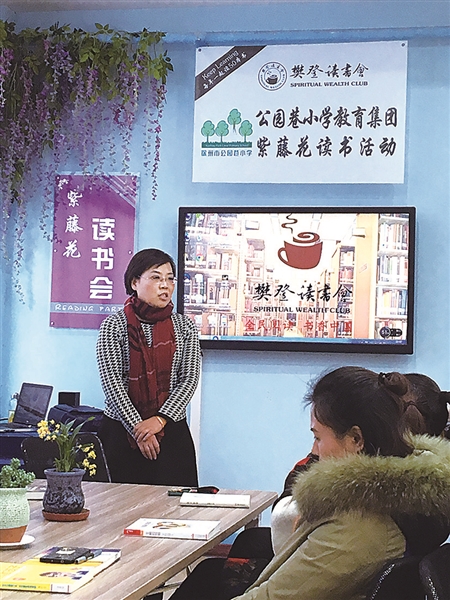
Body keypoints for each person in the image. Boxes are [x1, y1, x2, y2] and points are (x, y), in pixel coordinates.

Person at [171, 366, 450, 600]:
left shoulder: (356, 526)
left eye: (317, 437)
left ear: (356, 439)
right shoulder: (407, 499)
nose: (314, 450)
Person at [96, 248, 201, 486]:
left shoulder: (184, 327)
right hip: (121, 434)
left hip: (171, 432)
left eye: (170, 279)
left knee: (176, 506)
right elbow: (112, 383)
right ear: (135, 282)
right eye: (156, 277)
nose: (165, 285)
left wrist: (160, 420)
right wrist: (139, 428)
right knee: (119, 505)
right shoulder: (113, 326)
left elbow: (189, 378)